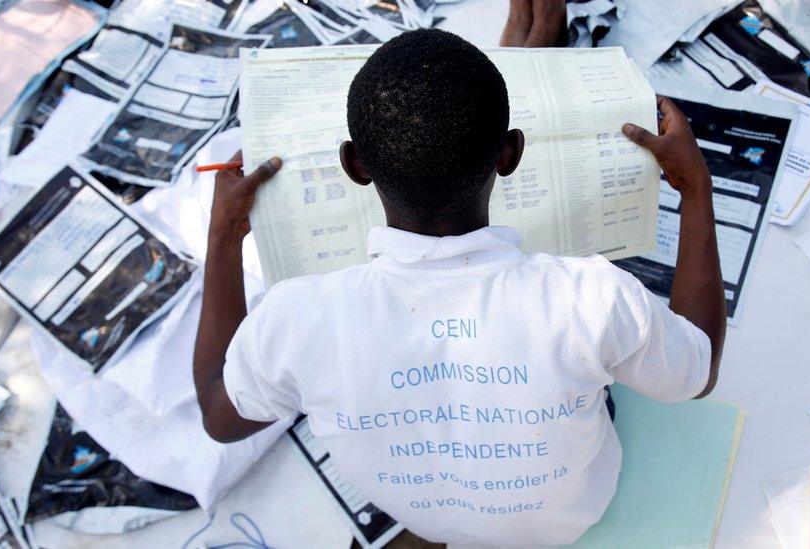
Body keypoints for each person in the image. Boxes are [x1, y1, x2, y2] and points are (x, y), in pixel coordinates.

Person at [193, 29, 725, 547]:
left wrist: (223, 239)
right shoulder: (594, 300)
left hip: (428, 524)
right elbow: (695, 373)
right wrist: (695, 187)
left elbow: (219, 416)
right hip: (574, 519)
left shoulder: (295, 320)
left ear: (353, 165)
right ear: (511, 153)